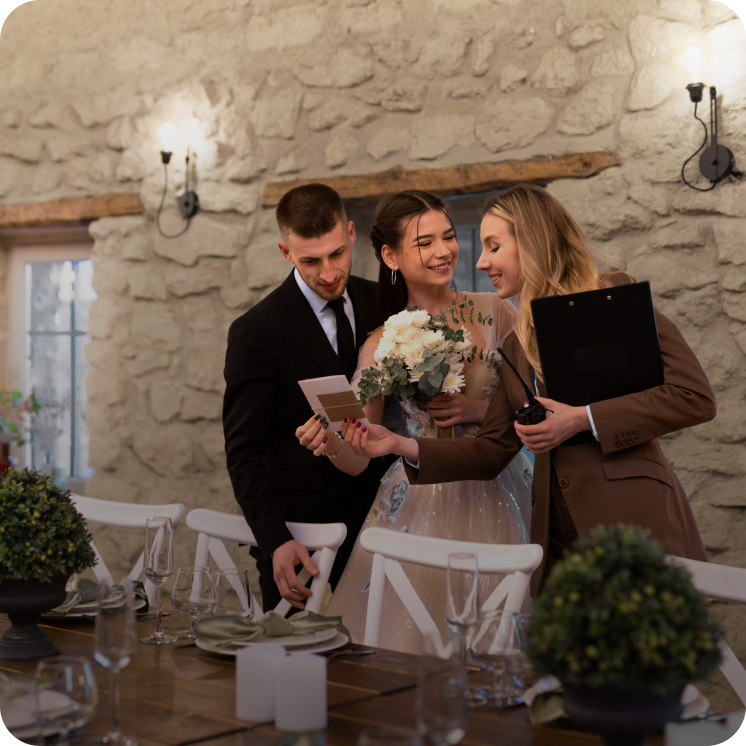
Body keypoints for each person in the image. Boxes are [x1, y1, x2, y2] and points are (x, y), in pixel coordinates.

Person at [337, 184, 715, 597]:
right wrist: (396, 442)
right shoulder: (516, 342)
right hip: (554, 533)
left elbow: (692, 395)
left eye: (493, 246)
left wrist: (581, 419)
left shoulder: (608, 292)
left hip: (629, 517)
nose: (479, 261)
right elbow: (490, 450)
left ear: (530, 242)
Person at [296, 190, 532, 652]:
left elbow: (536, 403)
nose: (444, 251)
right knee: (411, 644)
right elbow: (359, 457)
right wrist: (331, 442)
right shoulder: (382, 341)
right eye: (425, 243)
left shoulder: (495, 311)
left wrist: (482, 411)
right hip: (419, 503)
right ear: (390, 255)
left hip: (501, 483)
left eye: (447, 237)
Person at [223, 183, 389, 612]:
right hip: (299, 534)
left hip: (384, 522)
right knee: (291, 667)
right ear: (285, 252)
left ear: (351, 233)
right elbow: (244, 451)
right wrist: (275, 538)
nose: (330, 272)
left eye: (337, 254)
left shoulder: (384, 302)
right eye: (311, 261)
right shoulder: (256, 331)